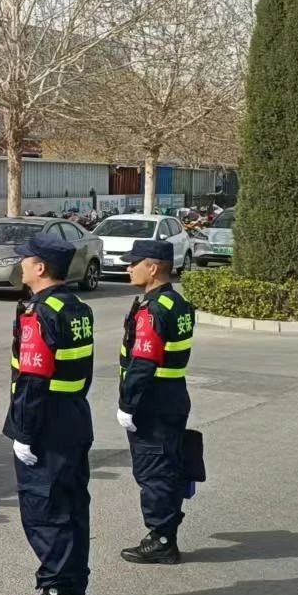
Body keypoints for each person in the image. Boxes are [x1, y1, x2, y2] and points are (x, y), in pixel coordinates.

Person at [3, 230, 95, 595]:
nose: (21, 264)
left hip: (46, 424)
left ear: (40, 268)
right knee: (72, 509)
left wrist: (23, 432)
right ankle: (74, 593)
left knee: (45, 509)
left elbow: (33, 380)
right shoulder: (77, 307)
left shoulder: (39, 312)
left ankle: (56, 594)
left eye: (26, 260)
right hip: (73, 416)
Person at [116, 238, 195, 565]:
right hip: (173, 395)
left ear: (152, 268)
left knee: (154, 471)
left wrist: (127, 404)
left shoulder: (153, 310)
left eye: (134, 263)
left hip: (153, 402)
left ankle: (162, 539)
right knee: (169, 466)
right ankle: (165, 532)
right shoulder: (177, 302)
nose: (128, 268)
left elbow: (143, 363)